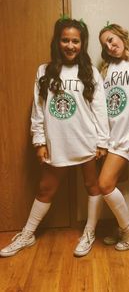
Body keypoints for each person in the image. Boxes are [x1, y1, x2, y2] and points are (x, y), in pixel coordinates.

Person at [0, 17, 109, 258]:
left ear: (82, 44)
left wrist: (102, 141)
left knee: (92, 186)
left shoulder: (89, 72)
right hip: (57, 141)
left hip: (86, 140)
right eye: (65, 40)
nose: (70, 45)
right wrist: (39, 141)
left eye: (75, 41)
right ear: (57, 42)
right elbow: (38, 110)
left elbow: (100, 109)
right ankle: (27, 234)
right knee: (45, 188)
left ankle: (89, 232)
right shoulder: (44, 71)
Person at [97, 23, 129, 250]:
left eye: (112, 39)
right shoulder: (109, 69)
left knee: (104, 184)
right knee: (121, 181)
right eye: (105, 44)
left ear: (123, 36)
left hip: (128, 132)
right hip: (111, 133)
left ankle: (128, 228)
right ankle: (121, 226)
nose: (110, 45)